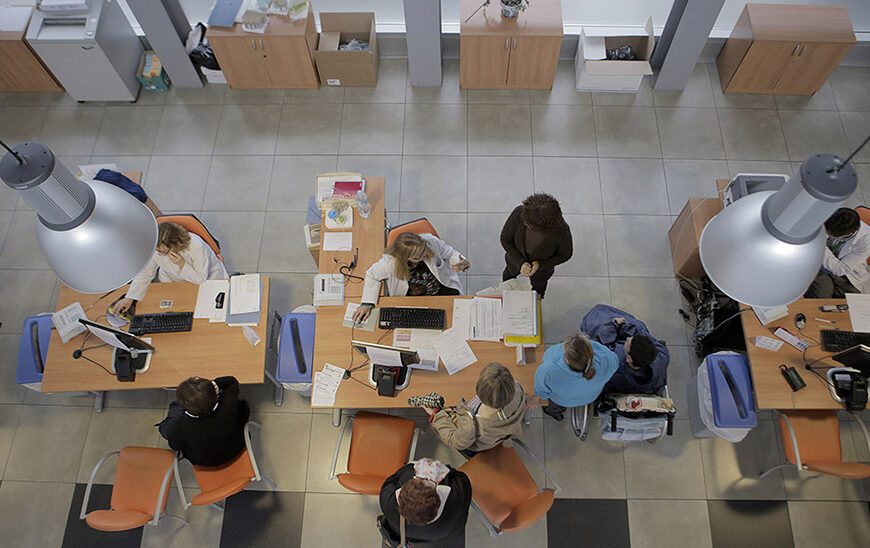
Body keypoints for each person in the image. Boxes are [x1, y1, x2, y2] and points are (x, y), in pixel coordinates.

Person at [111, 221, 228, 314]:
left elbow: (200, 279)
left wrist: (182, 264)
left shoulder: (196, 246)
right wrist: (130, 297)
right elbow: (146, 273)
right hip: (173, 281)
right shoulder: (156, 247)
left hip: (206, 278)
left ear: (175, 245)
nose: (159, 254)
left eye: (163, 252)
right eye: (158, 251)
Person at [352, 232, 470, 323]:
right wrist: (367, 303)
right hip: (414, 301)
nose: (424, 255)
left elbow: (449, 253)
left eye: (423, 250)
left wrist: (461, 261)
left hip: (442, 291)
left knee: (455, 319)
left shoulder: (429, 241)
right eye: (418, 256)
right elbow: (372, 275)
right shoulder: (389, 263)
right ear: (405, 257)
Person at [424, 363, 525, 457]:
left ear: (479, 391)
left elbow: (454, 440)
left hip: (475, 446)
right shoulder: (518, 390)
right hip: (499, 436)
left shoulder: (472, 426)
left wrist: (436, 415)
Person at [378, 458, 472, 548]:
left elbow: (393, 479)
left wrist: (411, 467)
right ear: (437, 501)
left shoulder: (388, 502)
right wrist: (442, 469)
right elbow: (460, 477)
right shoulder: (458, 498)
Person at [157, 376, 250, 466]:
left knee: (167, 422)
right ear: (215, 393)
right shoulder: (228, 403)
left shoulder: (181, 425)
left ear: (185, 406)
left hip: (207, 461)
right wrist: (214, 384)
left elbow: (174, 445)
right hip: (237, 446)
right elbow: (232, 381)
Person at [580, 304, 669, 395]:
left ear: (629, 359)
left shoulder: (615, 368)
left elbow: (605, 345)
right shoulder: (662, 355)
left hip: (617, 385)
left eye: (628, 343)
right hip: (646, 388)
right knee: (639, 326)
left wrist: (614, 324)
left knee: (596, 323)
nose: (628, 338)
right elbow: (640, 331)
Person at [532, 333, 618, 421]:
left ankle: (555, 412)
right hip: (589, 397)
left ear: (567, 360)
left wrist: (535, 399)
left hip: (563, 400)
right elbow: (614, 359)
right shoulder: (607, 361)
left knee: (554, 403)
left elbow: (540, 391)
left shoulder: (549, 371)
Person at [500, 193, 573, 297]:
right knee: (508, 275)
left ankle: (539, 294)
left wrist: (540, 265)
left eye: (528, 224)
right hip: (513, 261)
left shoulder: (562, 231)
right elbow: (505, 239)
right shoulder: (519, 213)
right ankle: (507, 289)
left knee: (539, 285)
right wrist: (520, 262)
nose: (524, 223)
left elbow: (565, 255)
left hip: (542, 271)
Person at [805, 207, 870, 298]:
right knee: (822, 296)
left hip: (844, 273)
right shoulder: (830, 218)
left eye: (829, 234)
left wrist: (820, 244)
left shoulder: (866, 242)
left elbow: (840, 270)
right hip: (819, 264)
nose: (825, 233)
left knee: (845, 301)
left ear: (845, 235)